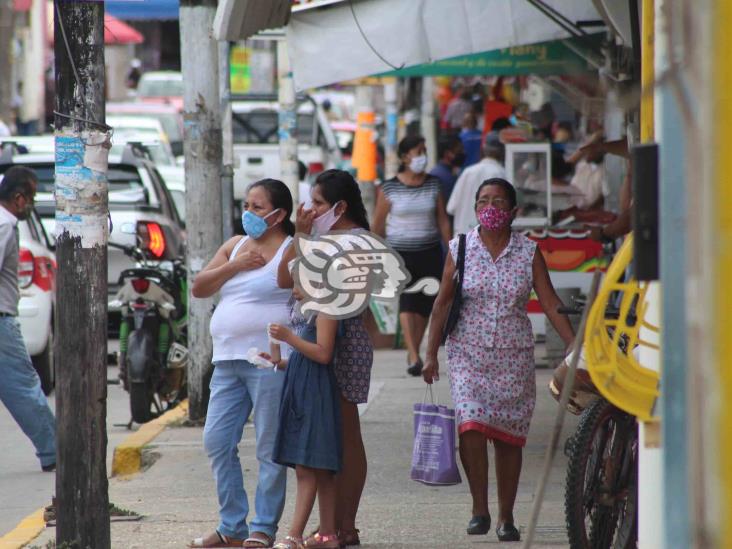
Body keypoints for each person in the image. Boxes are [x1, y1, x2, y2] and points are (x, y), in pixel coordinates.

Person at [422, 178, 574, 542]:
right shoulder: (460, 247)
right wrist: (429, 354)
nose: (491, 208)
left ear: (514, 212)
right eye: (484, 201)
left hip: (514, 358)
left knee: (508, 440)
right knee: (471, 425)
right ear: (475, 209)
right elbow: (442, 302)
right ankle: (480, 508)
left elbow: (550, 301)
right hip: (467, 354)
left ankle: (506, 516)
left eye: (499, 202)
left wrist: (573, 346)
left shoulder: (528, 252)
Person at [189, 179, 295, 549]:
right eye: (247, 205)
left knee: (268, 447)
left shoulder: (289, 248)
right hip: (228, 360)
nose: (249, 213)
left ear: (280, 214)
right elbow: (200, 287)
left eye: (258, 207)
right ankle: (231, 525)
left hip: (269, 361)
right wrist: (235, 266)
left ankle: (262, 527)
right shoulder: (236, 245)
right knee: (217, 441)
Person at [277, 169, 373, 547]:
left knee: (345, 432)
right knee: (322, 434)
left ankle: (345, 524)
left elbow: (335, 290)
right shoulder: (316, 236)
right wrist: (300, 234)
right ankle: (330, 525)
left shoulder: (359, 241)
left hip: (344, 340)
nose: (311, 210)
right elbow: (286, 280)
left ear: (340, 206)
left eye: (317, 203)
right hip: (313, 335)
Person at [372, 136, 451, 376]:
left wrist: (452, 251)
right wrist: (379, 254)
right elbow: (378, 224)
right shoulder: (389, 188)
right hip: (399, 253)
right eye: (419, 151)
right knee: (407, 302)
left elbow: (442, 221)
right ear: (405, 156)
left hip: (429, 251)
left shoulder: (434, 184)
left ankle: (413, 349)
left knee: (426, 304)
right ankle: (415, 355)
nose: (423, 155)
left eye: (425, 150)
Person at [265, 311, 343, 549]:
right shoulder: (308, 315)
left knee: (306, 464)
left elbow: (323, 353)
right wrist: (278, 363)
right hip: (304, 386)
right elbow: (306, 356)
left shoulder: (326, 311)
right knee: (320, 470)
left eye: (300, 282)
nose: (295, 289)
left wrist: (289, 337)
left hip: (315, 392)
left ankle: (294, 535)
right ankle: (327, 535)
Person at [0, 167, 57, 472]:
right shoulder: (5, 225)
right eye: (31, 198)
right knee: (24, 388)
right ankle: (55, 450)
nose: (31, 204)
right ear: (19, 198)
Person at [447, 132, 506, 235]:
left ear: (483, 149)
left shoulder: (467, 172)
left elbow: (451, 208)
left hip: (463, 240)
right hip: (490, 243)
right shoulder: (502, 173)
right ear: (502, 152)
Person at [429, 135, 465, 203]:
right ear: (447, 153)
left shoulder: (450, 171)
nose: (463, 153)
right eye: (459, 151)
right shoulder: (441, 175)